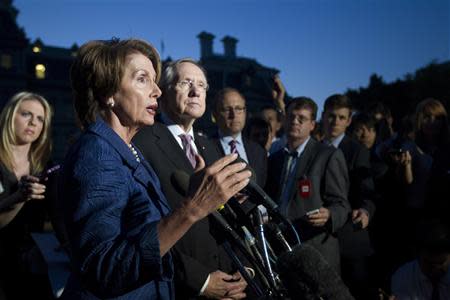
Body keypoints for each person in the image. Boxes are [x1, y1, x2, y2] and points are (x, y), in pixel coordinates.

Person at [60, 39, 251, 300]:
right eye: (142, 79)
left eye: (155, 80)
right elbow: (104, 269)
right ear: (109, 93)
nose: (157, 91)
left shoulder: (128, 150)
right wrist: (193, 207)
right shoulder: (96, 153)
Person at [133, 58, 248, 299]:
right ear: (163, 91)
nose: (196, 91)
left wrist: (243, 269)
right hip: (182, 287)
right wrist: (202, 281)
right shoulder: (143, 142)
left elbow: (227, 217)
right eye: (186, 83)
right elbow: (145, 229)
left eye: (202, 86)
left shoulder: (210, 146)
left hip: (229, 279)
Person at [265, 96, 350, 272]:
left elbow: (342, 204)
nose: (295, 122)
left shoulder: (328, 155)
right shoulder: (275, 159)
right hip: (279, 248)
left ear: (312, 124)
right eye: (291, 117)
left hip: (314, 251)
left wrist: (329, 215)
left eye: (301, 119)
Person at [321, 94, 377, 299]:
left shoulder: (357, 151)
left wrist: (365, 210)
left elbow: (366, 191)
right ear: (322, 116)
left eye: (341, 117)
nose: (335, 122)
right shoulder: (313, 148)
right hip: (319, 240)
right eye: (331, 116)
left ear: (349, 120)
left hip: (349, 238)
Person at [0, 92, 53, 299]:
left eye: (40, 119)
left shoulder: (44, 168)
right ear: (9, 116)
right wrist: (19, 197)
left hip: (33, 266)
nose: (33, 122)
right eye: (26, 114)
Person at [212, 88, 267, 187]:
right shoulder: (205, 147)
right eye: (227, 109)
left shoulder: (258, 151)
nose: (234, 115)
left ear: (245, 112)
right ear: (215, 115)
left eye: (238, 109)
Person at [391, 219, 450, 299]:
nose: (436, 269)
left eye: (441, 263)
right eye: (430, 264)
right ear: (417, 256)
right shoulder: (403, 277)